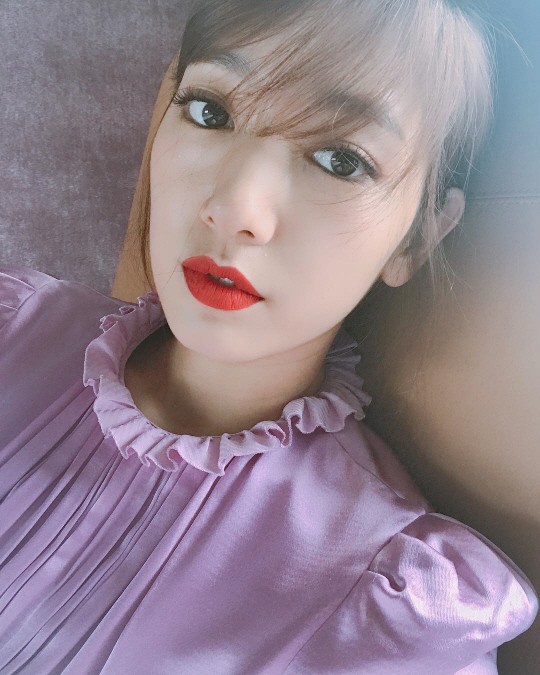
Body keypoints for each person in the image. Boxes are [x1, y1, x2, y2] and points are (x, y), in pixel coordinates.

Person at [0, 0, 538, 673]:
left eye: (340, 160)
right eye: (209, 112)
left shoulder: (386, 611)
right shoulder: (14, 327)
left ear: (416, 239)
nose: (233, 209)